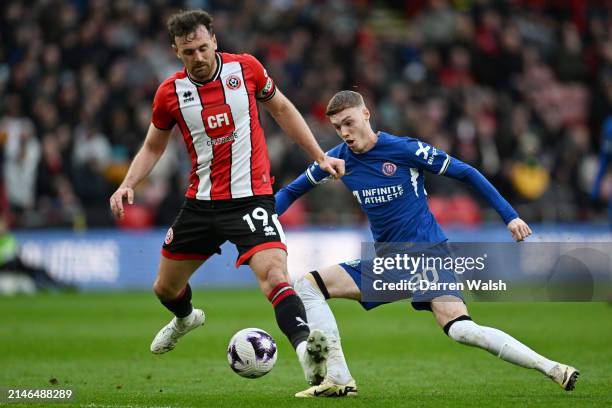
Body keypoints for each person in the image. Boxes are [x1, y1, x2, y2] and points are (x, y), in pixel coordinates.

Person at [275, 90, 579, 397]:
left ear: (366, 114)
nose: (344, 132)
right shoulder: (336, 159)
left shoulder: (404, 150)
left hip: (427, 256)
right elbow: (289, 193)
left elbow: (467, 172)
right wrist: (255, 221)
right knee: (309, 286)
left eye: (349, 122)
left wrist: (509, 216)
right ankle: (338, 379)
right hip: (390, 263)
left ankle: (552, 368)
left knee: (461, 329)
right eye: (338, 127)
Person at [109, 10, 345, 389]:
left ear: (215, 41)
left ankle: (305, 351)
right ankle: (185, 318)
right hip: (200, 204)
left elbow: (282, 109)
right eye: (189, 52)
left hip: (251, 199)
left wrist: (319, 155)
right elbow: (154, 145)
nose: (198, 57)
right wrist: (127, 183)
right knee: (164, 289)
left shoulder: (246, 69)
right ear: (176, 51)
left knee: (275, 275)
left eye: (203, 47)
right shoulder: (170, 93)